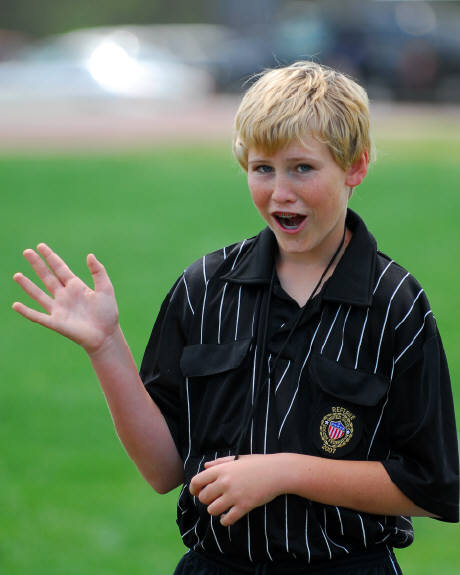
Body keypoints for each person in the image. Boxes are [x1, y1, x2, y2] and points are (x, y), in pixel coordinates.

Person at [12, 61, 458, 574]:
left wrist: (285, 472)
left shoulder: (395, 303)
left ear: (354, 168)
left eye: (302, 168)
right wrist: (105, 345)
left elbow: (433, 487)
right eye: (263, 168)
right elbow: (163, 469)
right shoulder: (204, 289)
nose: (280, 191)